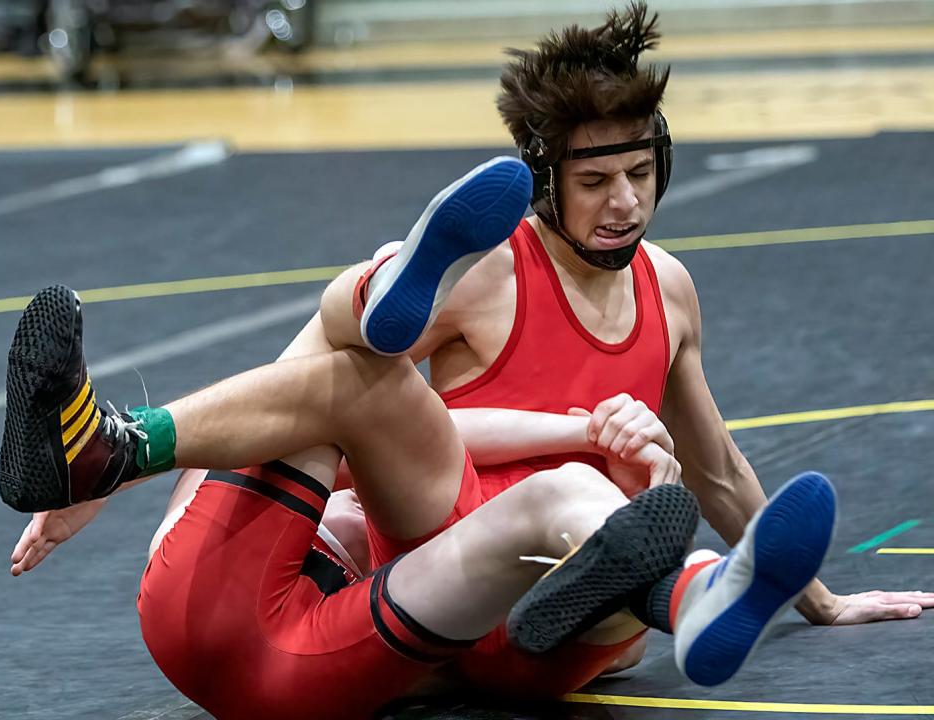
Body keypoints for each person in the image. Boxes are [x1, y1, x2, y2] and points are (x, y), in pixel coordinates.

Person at [311, 2, 933, 627]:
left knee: (647, 506)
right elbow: (340, 414)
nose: (626, 202)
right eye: (594, 182)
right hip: (460, 579)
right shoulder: (485, 274)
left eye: (640, 171)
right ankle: (372, 286)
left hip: (584, 597)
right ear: (544, 183)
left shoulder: (666, 286)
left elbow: (715, 469)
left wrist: (821, 601)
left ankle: (665, 595)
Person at [4, 281, 838, 719]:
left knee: (541, 487)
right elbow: (418, 419)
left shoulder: (415, 474)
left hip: (246, 620)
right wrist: (583, 429)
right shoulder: (408, 451)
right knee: (352, 376)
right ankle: (678, 590)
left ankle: (692, 591)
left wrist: (592, 445)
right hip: (312, 660)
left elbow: (377, 414)